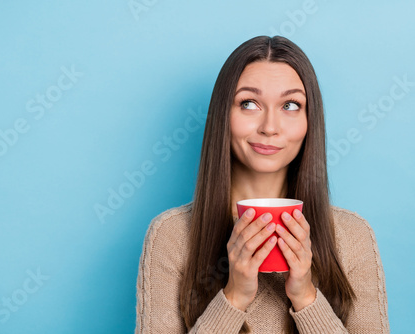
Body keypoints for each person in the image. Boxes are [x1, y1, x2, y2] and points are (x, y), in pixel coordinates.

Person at [135, 36, 389, 333]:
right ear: (223, 116)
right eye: (249, 103)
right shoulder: (172, 235)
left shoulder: (352, 237)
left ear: (310, 121)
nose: (269, 127)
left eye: (291, 105)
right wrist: (234, 297)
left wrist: (306, 297)